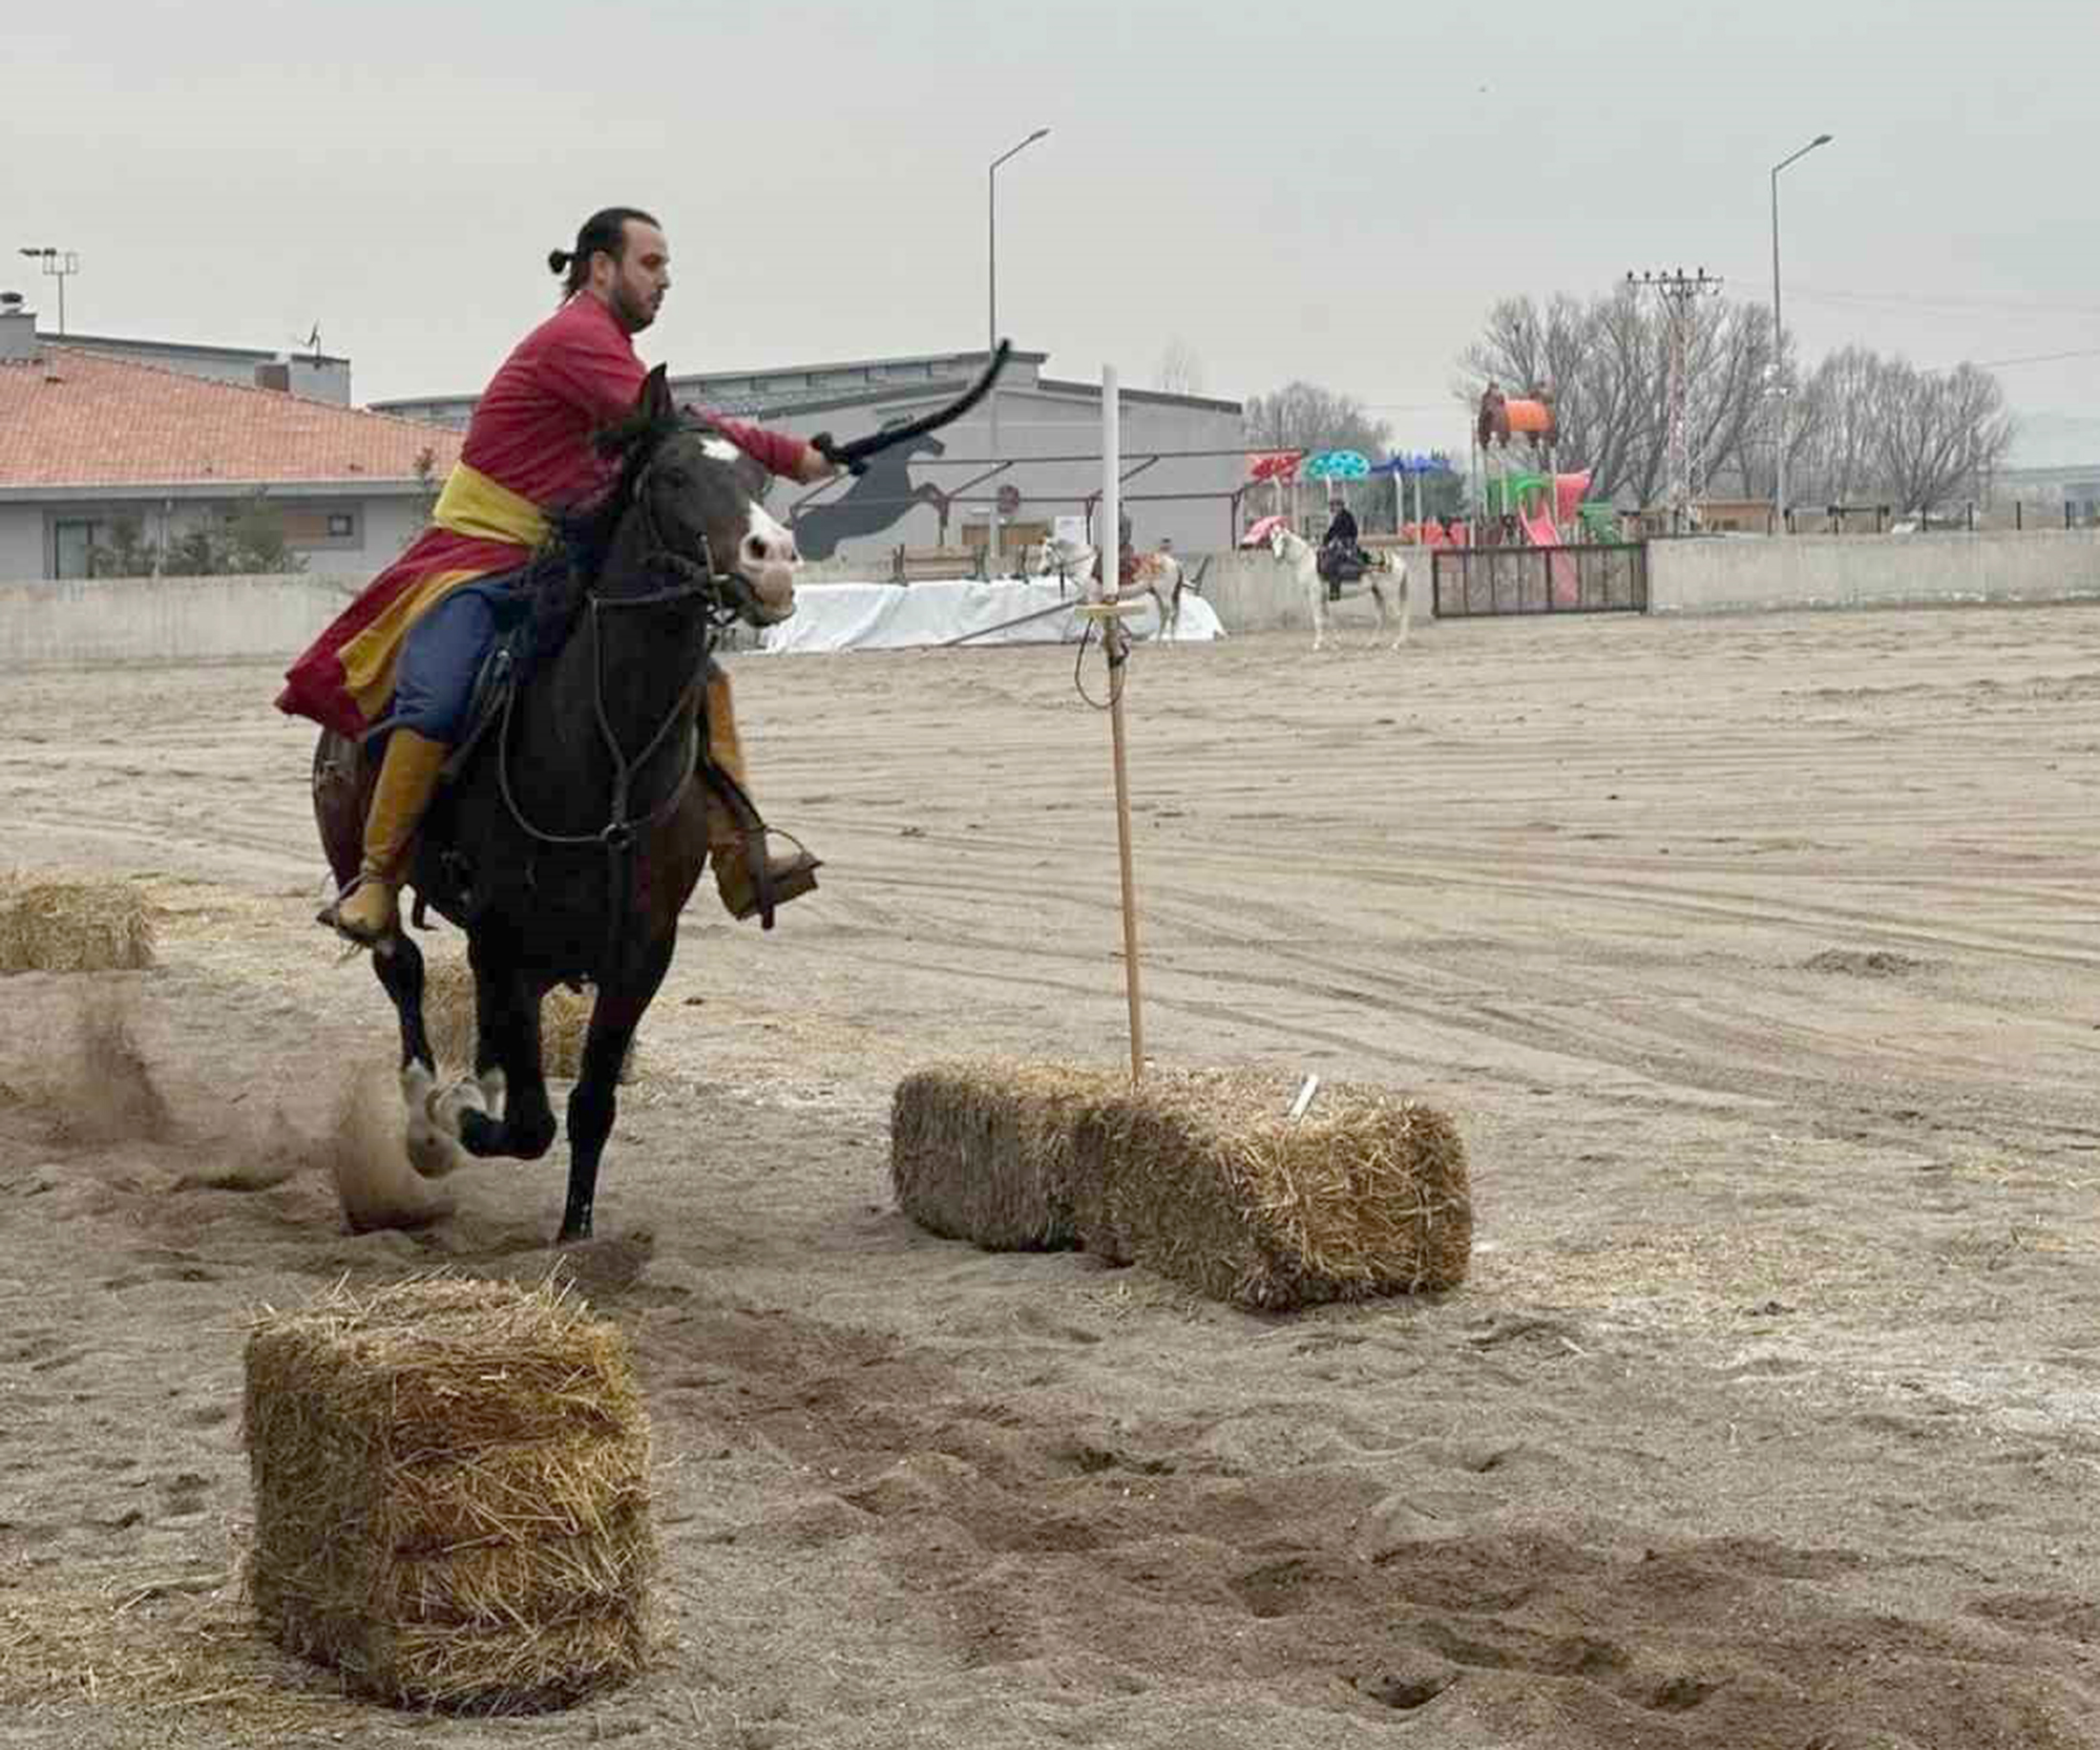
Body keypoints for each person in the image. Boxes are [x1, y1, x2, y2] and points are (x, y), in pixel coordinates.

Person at [278, 207, 830, 945]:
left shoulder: (608, 349)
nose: (665, 280)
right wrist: (792, 456)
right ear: (601, 268)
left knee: (699, 676)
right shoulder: (579, 339)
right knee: (437, 690)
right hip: (477, 552)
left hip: (558, 558)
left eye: (667, 266)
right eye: (651, 264)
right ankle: (377, 876)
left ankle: (737, 853)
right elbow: (676, 429)